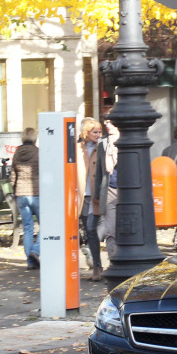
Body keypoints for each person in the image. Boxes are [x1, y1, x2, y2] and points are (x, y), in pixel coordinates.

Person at [76, 117, 103, 281]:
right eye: (95, 132)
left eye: (100, 132)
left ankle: (97, 266)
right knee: (88, 231)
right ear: (86, 133)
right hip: (82, 196)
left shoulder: (102, 148)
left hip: (96, 196)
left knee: (92, 230)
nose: (98, 135)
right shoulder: (77, 149)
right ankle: (96, 266)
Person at [10, 128, 40, 269]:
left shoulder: (17, 153)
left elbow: (12, 177)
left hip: (21, 195)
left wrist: (14, 191)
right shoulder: (38, 152)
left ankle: (30, 262)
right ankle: (36, 251)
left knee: (28, 228)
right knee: (45, 226)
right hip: (36, 194)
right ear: (34, 138)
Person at [94, 119, 121, 262]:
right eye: (106, 123)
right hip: (109, 188)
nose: (108, 125)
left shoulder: (126, 138)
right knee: (111, 230)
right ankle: (113, 262)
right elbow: (99, 168)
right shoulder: (103, 142)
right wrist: (97, 193)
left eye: (111, 122)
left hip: (126, 190)